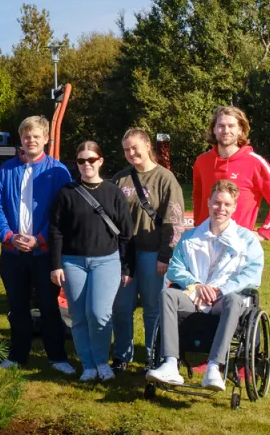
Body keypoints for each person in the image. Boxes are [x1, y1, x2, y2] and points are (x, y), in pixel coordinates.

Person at [146, 180, 265, 391]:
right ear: (209, 202)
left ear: (235, 207)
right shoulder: (190, 237)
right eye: (217, 203)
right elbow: (175, 268)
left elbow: (252, 275)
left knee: (234, 300)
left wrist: (220, 290)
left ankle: (214, 367)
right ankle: (170, 364)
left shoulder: (247, 240)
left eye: (227, 204)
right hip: (194, 296)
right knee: (167, 295)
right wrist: (196, 285)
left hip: (225, 300)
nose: (221, 208)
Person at [0, 116, 75, 374]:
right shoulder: (6, 170)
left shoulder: (58, 171)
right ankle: (17, 355)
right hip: (13, 252)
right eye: (27, 136)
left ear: (46, 139)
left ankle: (57, 357)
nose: (31, 140)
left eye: (36, 136)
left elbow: (62, 213)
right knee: (17, 308)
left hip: (44, 252)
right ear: (21, 139)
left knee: (50, 308)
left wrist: (39, 239)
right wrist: (8, 236)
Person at [49, 141, 135, 381]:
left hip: (107, 261)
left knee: (99, 314)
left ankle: (101, 361)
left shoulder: (113, 192)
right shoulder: (66, 192)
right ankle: (87, 364)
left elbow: (126, 234)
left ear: (100, 161)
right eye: (81, 161)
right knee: (78, 316)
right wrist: (55, 264)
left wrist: (127, 266)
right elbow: (55, 231)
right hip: (72, 262)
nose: (86, 164)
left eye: (91, 160)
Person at [110, 128, 185, 372]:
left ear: (147, 145)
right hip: (125, 255)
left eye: (134, 148)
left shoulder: (165, 178)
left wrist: (166, 255)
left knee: (153, 308)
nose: (131, 153)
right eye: (126, 150)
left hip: (154, 254)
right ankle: (122, 355)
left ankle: (154, 357)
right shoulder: (120, 179)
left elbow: (174, 221)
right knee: (121, 306)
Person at [191, 106, 270, 240]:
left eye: (231, 126)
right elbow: (198, 198)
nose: (226, 130)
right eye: (221, 126)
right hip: (203, 241)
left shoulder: (255, 162)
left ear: (240, 129)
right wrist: (197, 226)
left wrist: (265, 232)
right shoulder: (202, 161)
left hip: (238, 245)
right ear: (214, 129)